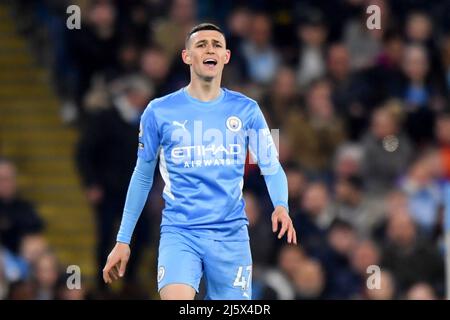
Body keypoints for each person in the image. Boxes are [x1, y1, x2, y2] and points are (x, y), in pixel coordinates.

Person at [101, 23, 296, 300]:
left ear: (226, 57)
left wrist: (281, 206)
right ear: (187, 56)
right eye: (201, 44)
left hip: (231, 235)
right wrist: (123, 240)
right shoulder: (159, 111)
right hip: (180, 232)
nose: (210, 49)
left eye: (216, 44)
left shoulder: (247, 110)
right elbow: (143, 176)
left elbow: (271, 167)